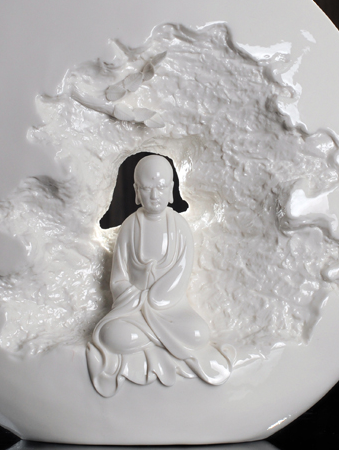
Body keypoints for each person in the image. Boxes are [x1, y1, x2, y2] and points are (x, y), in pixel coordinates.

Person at [86, 155, 233, 397]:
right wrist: (137, 294)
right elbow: (118, 278)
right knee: (109, 334)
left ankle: (150, 340)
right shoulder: (129, 226)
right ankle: (165, 342)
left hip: (171, 308)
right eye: (146, 188)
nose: (154, 195)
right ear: (136, 191)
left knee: (198, 333)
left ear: (172, 189)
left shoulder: (180, 227)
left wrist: (156, 299)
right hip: (133, 309)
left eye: (161, 187)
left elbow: (181, 274)